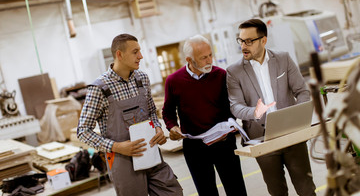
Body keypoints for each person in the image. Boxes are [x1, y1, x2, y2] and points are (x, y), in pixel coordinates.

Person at [77, 34, 183, 196]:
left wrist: (157, 128)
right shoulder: (100, 88)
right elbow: (83, 131)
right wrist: (117, 147)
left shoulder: (142, 79)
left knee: (173, 192)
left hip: (151, 154)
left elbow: (151, 112)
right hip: (123, 162)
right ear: (119, 54)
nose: (140, 56)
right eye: (135, 52)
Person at [226, 19, 316, 196]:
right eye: (241, 40)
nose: (243, 45)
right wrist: (254, 112)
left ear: (263, 40)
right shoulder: (233, 71)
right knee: (277, 192)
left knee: (306, 189)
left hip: (291, 134)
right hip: (261, 139)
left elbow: (302, 91)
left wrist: (298, 118)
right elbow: (235, 106)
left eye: (249, 41)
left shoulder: (283, 58)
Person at [162, 35, 247, 196]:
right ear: (189, 59)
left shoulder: (221, 75)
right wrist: (172, 127)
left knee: (236, 190)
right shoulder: (174, 81)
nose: (209, 61)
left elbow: (231, 108)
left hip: (223, 143)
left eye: (210, 55)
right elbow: (167, 112)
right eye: (203, 58)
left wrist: (228, 127)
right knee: (206, 192)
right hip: (195, 148)